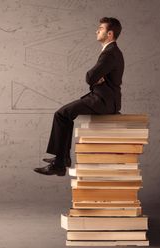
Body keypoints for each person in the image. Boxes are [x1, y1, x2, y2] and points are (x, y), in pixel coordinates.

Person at [34, 17, 124, 176]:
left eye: (101, 28)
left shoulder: (109, 54)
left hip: (102, 101)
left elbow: (90, 77)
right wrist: (98, 79)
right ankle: (62, 159)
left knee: (61, 114)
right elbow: (97, 77)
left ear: (109, 34)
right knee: (66, 115)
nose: (97, 31)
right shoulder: (113, 52)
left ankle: (59, 164)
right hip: (106, 99)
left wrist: (96, 79)